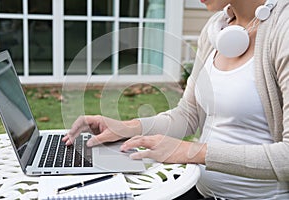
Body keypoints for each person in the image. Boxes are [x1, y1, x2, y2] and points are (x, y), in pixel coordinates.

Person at [63, 0, 289, 199]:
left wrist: (193, 152)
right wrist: (126, 127)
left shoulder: (283, 30)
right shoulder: (216, 30)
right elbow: (188, 115)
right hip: (198, 190)